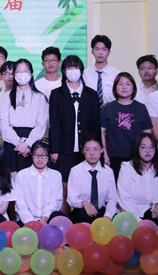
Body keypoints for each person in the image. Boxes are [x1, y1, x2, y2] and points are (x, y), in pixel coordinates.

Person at [48, 55, 101, 211]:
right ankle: (65, 217)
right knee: (64, 183)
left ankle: (85, 214)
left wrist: (97, 148)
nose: (73, 70)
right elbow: (54, 124)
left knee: (85, 182)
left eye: (76, 67)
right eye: (69, 67)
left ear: (81, 70)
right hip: (64, 148)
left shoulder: (91, 94)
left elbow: (96, 124)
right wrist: (54, 149)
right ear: (64, 71)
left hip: (86, 149)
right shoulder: (57, 93)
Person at [0, 58, 48, 173]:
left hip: (33, 144)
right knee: (12, 179)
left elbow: (41, 125)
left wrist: (28, 144)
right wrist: (19, 143)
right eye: (18, 72)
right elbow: (4, 125)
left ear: (31, 74)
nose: (22, 75)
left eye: (25, 71)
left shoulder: (40, 97)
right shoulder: (6, 97)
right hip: (12, 143)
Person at [117, 134, 158, 226]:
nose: (148, 150)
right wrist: (138, 221)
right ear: (137, 149)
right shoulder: (127, 168)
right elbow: (124, 198)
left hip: (154, 211)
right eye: (143, 147)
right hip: (131, 214)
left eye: (151, 147)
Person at [101, 72, 153, 178]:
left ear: (133, 88)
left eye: (128, 84)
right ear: (115, 87)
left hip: (136, 157)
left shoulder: (141, 108)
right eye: (120, 84)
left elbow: (148, 134)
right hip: (112, 157)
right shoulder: (108, 108)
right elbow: (101, 132)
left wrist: (145, 156)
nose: (124, 87)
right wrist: (104, 154)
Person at [66, 135, 118, 223]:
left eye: (96, 149)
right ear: (82, 151)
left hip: (101, 211)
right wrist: (84, 203)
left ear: (102, 150)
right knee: (83, 216)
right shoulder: (75, 171)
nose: (92, 153)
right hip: (81, 211)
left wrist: (108, 216)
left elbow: (112, 199)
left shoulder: (108, 171)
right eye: (87, 149)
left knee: (116, 218)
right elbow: (71, 198)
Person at [14, 141, 64, 225]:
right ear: (31, 155)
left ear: (48, 156)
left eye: (43, 155)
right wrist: (31, 222)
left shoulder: (55, 175)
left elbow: (55, 201)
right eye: (36, 155)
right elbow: (20, 203)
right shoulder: (22, 175)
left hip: (48, 219)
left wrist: (44, 219)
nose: (40, 159)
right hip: (26, 221)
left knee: (60, 218)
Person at [84, 35, 120, 107]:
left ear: (109, 52)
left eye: (104, 49)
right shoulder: (85, 74)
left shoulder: (117, 75)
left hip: (111, 111)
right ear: (92, 52)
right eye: (97, 49)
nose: (100, 52)